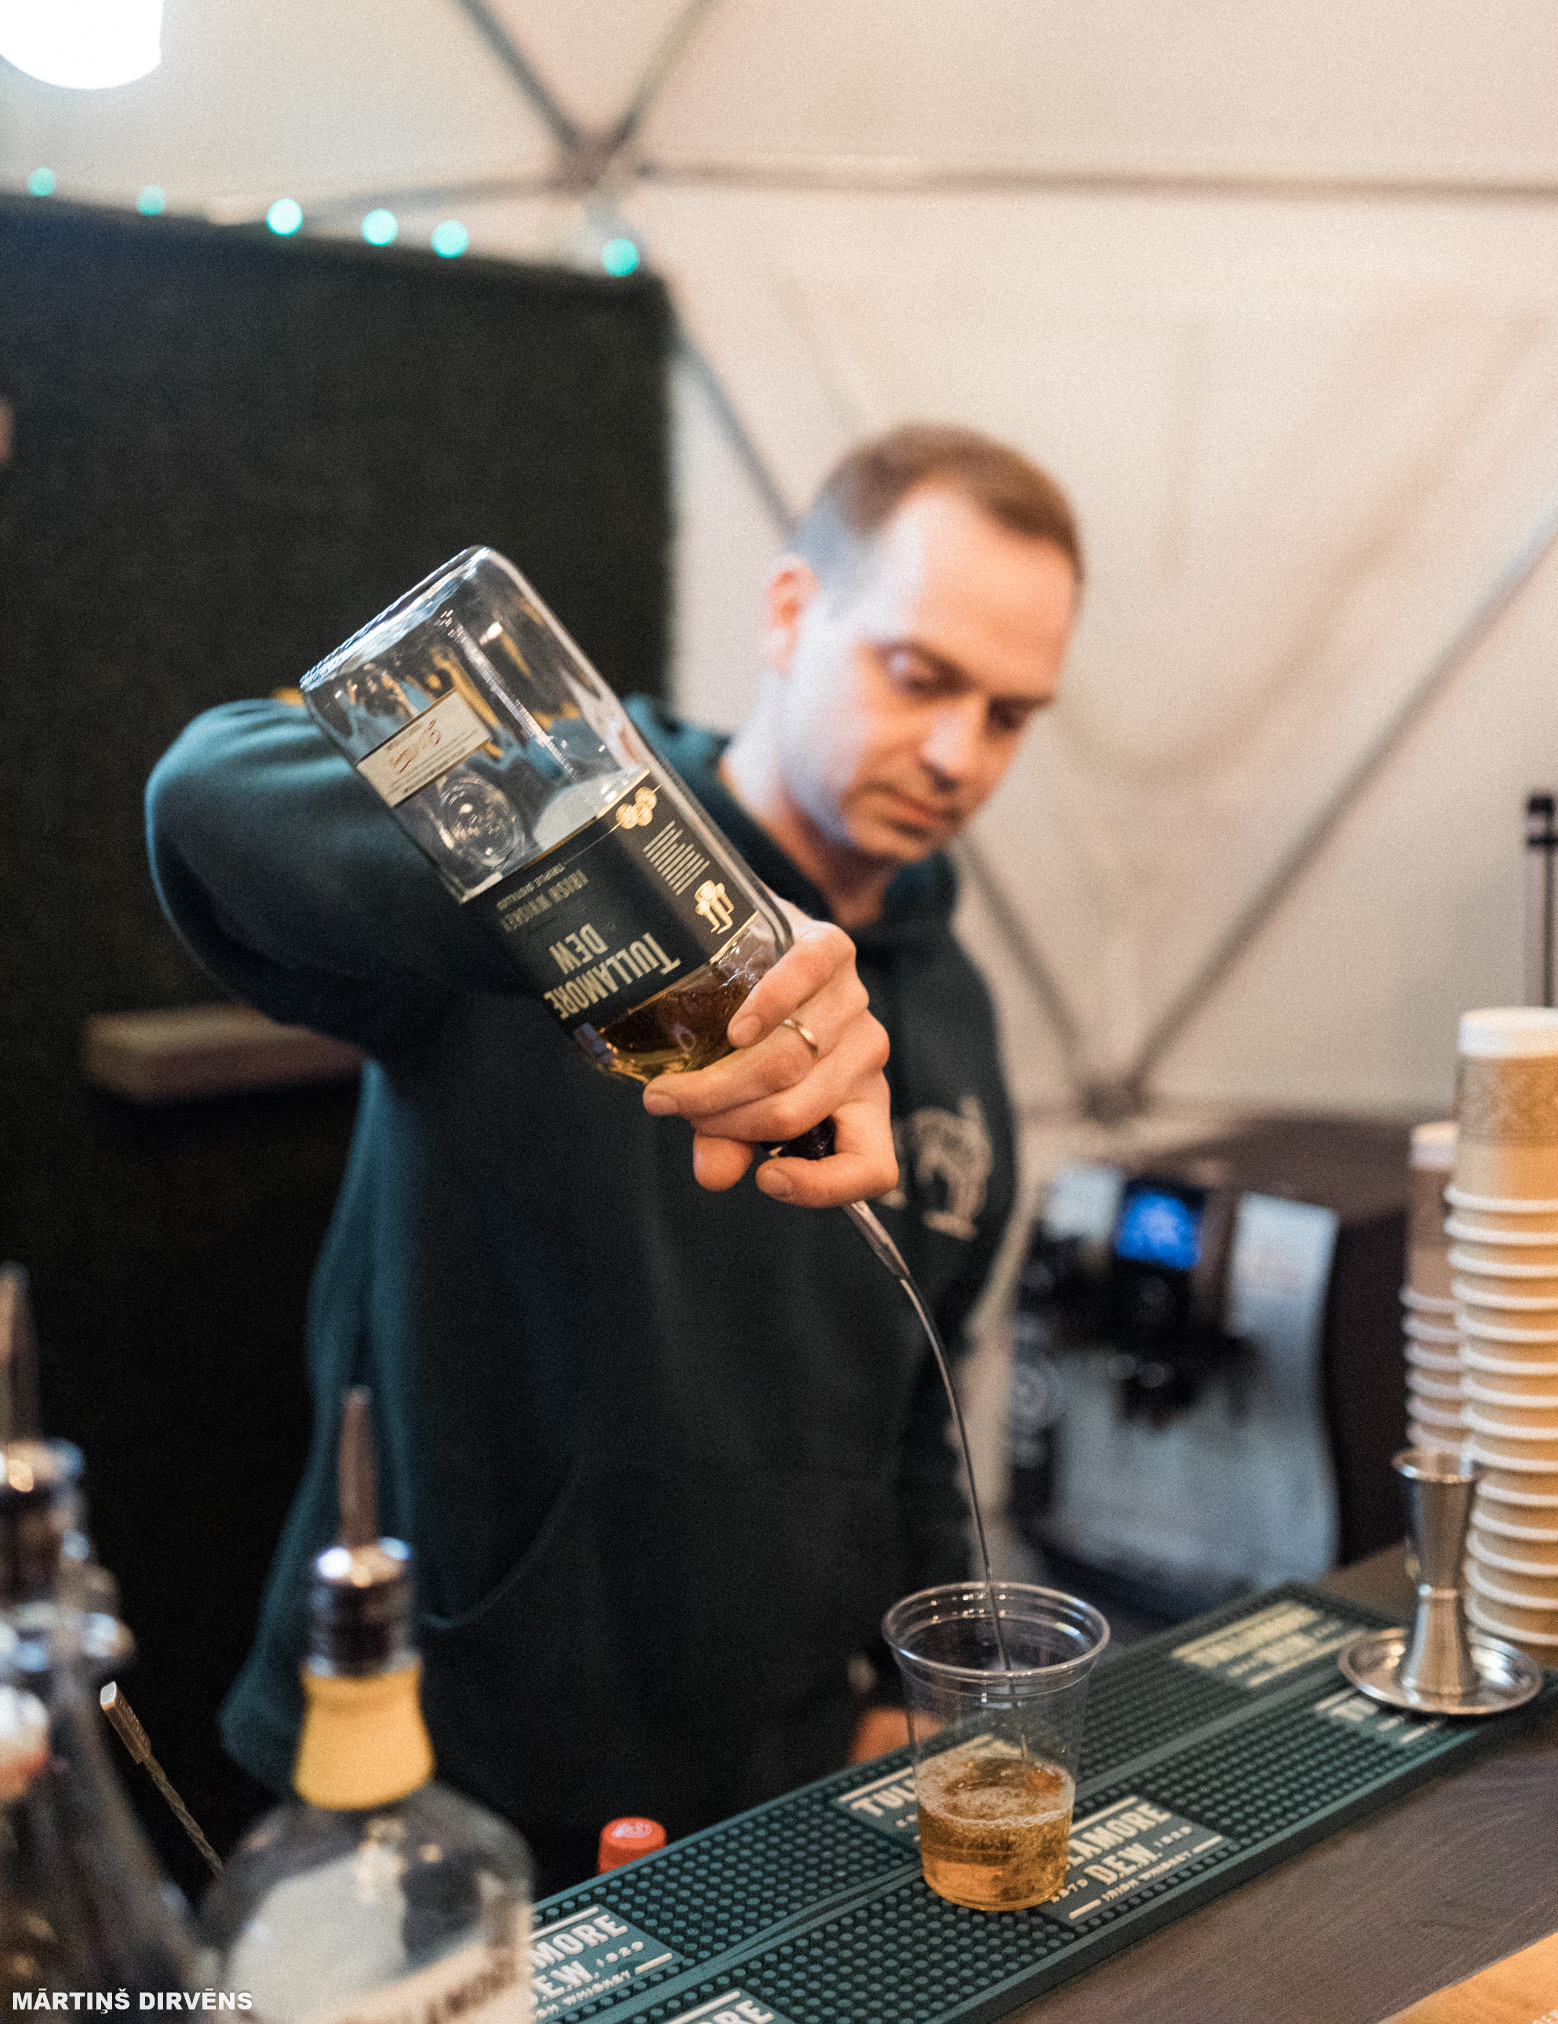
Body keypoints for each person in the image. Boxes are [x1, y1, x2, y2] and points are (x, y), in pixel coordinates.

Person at [146, 422, 1081, 1888]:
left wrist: (910, 1689)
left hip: (773, 1779)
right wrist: (624, 921)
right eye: (918, 675)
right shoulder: (563, 822)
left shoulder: (950, 1008)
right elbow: (206, 797)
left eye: (1010, 715)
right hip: (442, 1765)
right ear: (792, 612)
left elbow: (917, 1389)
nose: (961, 753)